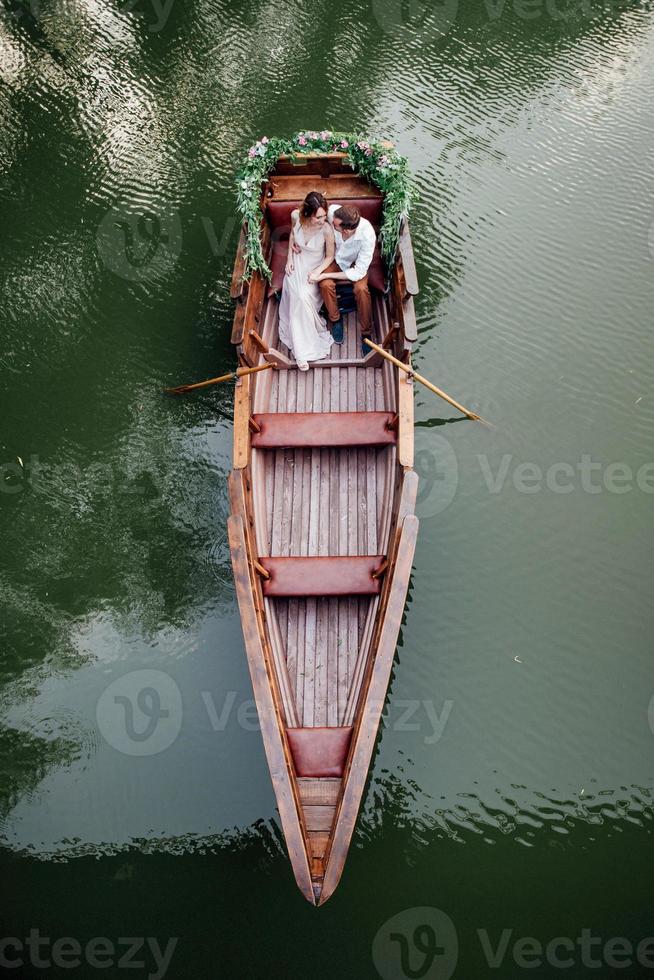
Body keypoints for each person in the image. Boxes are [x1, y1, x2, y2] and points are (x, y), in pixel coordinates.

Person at [278, 191, 335, 371]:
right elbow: (293, 236)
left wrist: (317, 273)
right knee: (296, 294)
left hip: (314, 266)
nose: (323, 219)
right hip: (297, 262)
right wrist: (288, 259)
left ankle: (302, 352)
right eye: (319, 217)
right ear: (309, 214)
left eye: (324, 215)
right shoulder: (296, 216)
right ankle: (301, 347)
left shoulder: (327, 229)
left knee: (302, 296)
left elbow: (330, 257)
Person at [311, 204, 376, 356]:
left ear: (346, 230)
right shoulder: (334, 212)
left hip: (357, 265)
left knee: (361, 290)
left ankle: (366, 333)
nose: (331, 224)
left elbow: (358, 272)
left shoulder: (367, 235)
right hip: (336, 258)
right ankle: (335, 319)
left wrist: (326, 274)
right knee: (325, 285)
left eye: (335, 225)